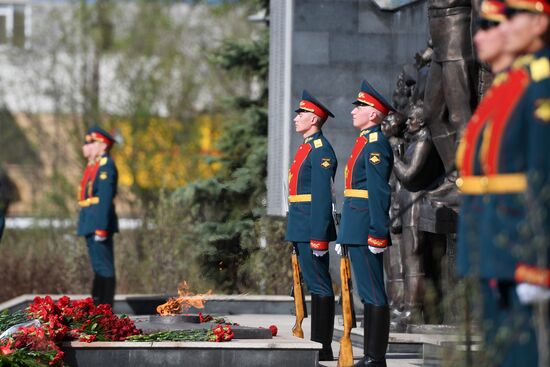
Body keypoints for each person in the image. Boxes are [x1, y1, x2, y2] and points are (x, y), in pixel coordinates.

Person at [457, 0, 550, 365]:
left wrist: (538, 259)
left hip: (518, 242)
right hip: (493, 238)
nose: (504, 28)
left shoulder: (539, 84)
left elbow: (542, 174)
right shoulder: (509, 85)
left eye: (513, 17)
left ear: (541, 23)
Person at [336, 80, 394, 367]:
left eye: (359, 107)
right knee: (366, 292)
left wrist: (378, 233)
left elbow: (379, 192)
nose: (353, 111)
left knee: (373, 292)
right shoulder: (363, 142)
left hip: (366, 228)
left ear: (373, 113)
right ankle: (371, 355)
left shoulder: (375, 144)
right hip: (355, 226)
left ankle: (375, 357)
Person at [285, 90, 338, 361]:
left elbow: (321, 197)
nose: (296, 118)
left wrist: (319, 237)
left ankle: (323, 346)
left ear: (314, 119)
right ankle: (320, 345)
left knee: (320, 287)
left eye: (301, 113)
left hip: (310, 228)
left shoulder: (320, 150)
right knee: (314, 285)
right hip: (301, 224)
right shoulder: (306, 147)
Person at [77, 126, 119, 307]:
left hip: (98, 223)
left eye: (91, 142)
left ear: (103, 145)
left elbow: (105, 199)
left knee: (104, 267)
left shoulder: (106, 166)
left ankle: (106, 308)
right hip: (90, 221)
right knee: (98, 268)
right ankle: (98, 307)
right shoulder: (93, 166)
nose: (87, 146)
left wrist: (101, 227)